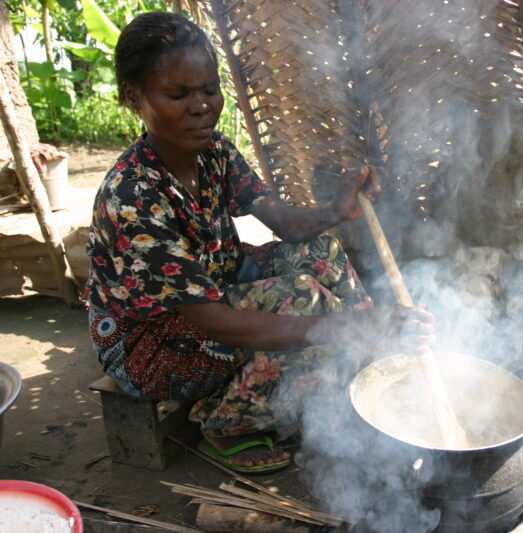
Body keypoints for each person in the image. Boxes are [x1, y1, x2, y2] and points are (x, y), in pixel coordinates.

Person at [86, 11, 435, 474]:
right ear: (134, 96)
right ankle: (226, 421)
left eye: (210, 90)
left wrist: (337, 211)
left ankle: (356, 367)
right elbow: (215, 324)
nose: (202, 106)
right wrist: (351, 326)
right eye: (179, 94)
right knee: (302, 301)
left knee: (323, 252)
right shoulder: (133, 197)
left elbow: (286, 223)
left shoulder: (214, 153)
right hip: (150, 343)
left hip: (217, 285)